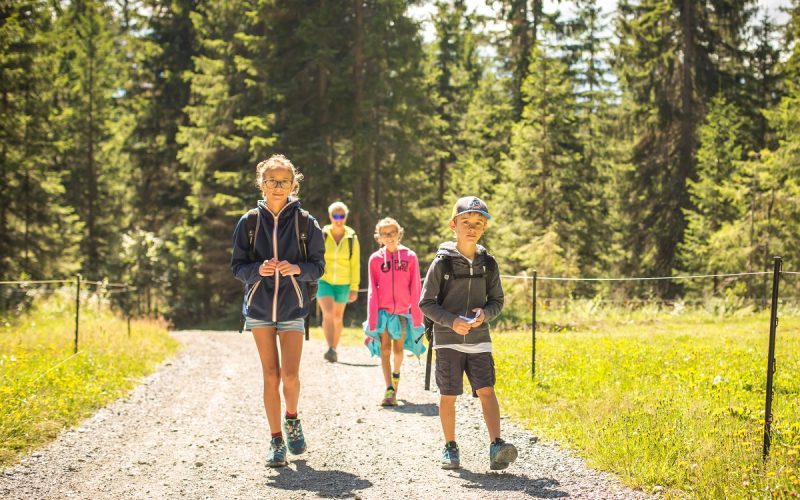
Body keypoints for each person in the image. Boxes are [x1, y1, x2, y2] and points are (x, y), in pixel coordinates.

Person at [230, 154, 325, 468]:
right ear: (262, 183)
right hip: (258, 307)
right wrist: (260, 270)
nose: (278, 186)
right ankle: (275, 440)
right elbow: (237, 267)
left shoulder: (305, 222)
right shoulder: (249, 222)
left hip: (293, 306)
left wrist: (296, 268)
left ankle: (292, 419)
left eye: (284, 181)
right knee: (270, 376)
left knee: (290, 375)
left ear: (293, 184)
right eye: (272, 181)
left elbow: (318, 267)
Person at [419, 196, 517, 471]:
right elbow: (425, 303)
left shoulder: (489, 263)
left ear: (484, 228)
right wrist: (451, 321)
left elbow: (497, 300)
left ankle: (497, 444)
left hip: (479, 340)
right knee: (449, 394)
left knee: (487, 390)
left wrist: (485, 314)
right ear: (454, 225)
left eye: (478, 223)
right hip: (448, 340)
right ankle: (450, 446)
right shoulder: (442, 262)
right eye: (466, 222)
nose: (471, 228)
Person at [363, 217, 425, 406]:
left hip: (403, 312)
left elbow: (415, 286)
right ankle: (389, 388)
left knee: (398, 351)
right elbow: (372, 289)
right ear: (379, 237)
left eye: (392, 233)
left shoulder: (410, 256)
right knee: (385, 349)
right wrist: (372, 318)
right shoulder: (375, 259)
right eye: (385, 234)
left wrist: (417, 315)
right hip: (383, 313)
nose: (389, 237)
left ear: (399, 234)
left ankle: (396, 375)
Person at [317, 201, 360, 363]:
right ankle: (329, 348)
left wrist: (354, 287)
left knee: (337, 317)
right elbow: (315, 257)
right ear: (330, 216)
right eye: (335, 215)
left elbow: (355, 264)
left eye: (341, 215)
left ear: (346, 217)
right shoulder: (322, 234)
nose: (338, 218)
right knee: (328, 313)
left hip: (344, 283)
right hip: (324, 280)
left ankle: (334, 348)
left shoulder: (351, 237)